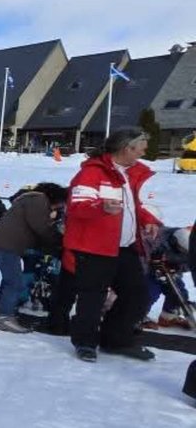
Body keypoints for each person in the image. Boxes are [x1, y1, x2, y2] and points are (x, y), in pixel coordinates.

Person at [64, 128, 162, 362]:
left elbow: (132, 206)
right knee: (92, 298)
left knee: (138, 295)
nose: (144, 150)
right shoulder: (91, 174)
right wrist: (101, 208)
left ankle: (115, 339)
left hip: (125, 247)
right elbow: (77, 206)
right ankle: (85, 342)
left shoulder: (129, 175)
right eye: (141, 146)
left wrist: (148, 220)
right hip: (93, 248)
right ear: (127, 148)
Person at [0, 183, 67, 333]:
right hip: (7, 245)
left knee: (11, 279)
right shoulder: (38, 200)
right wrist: (59, 240)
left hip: (5, 243)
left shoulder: (31, 199)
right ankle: (5, 317)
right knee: (15, 282)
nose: (60, 207)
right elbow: (41, 228)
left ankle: (1, 306)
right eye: (61, 203)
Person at [142, 226, 192, 330]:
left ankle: (168, 317)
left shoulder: (191, 246)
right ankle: (138, 317)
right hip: (149, 272)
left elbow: (190, 264)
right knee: (149, 293)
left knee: (179, 293)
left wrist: (176, 266)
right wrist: (153, 262)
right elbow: (141, 257)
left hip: (171, 272)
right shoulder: (157, 237)